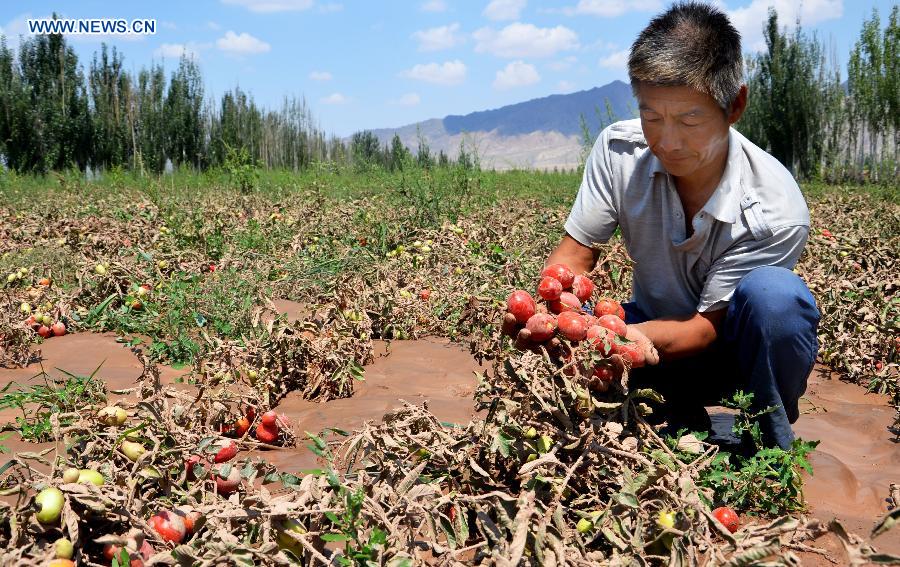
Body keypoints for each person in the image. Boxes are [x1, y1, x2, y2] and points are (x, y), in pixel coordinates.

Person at [508, 2, 820, 449]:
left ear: (735, 105)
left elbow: (706, 327)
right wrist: (552, 314)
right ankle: (672, 412)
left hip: (730, 353)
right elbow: (575, 257)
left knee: (777, 301)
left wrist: (617, 337)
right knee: (642, 422)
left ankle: (768, 440)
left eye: (690, 119)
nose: (667, 141)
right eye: (652, 117)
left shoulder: (774, 207)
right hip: (653, 339)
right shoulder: (619, 151)